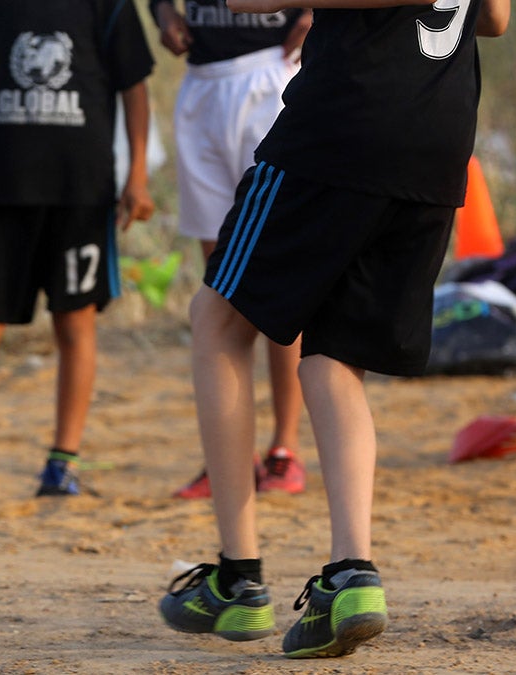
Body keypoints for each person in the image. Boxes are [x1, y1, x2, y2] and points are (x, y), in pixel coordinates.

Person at [159, 0, 510, 659]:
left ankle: (238, 578)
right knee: (333, 354)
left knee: (218, 321)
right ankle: (351, 576)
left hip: (346, 124)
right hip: (440, 136)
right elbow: (493, 15)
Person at [0, 0, 156, 502]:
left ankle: (62, 464)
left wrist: (137, 174)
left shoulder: (108, 6)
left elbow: (135, 88)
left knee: (74, 321)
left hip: (80, 193)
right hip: (5, 190)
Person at [150, 0, 312, 499]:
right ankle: (231, 458)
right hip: (201, 84)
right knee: (222, 282)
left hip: (269, 73)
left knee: (278, 276)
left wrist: (316, 13)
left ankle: (284, 447)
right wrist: (163, 14)